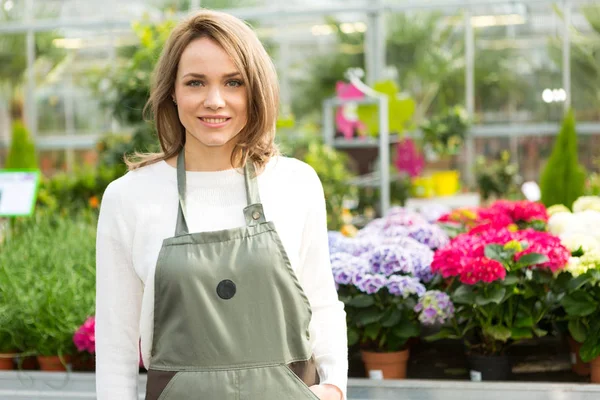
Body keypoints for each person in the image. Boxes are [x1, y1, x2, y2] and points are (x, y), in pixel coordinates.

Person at [95, 9, 348, 400]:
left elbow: (323, 303)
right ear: (172, 92)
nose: (215, 101)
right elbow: (116, 344)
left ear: (255, 91)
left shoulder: (295, 183)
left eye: (233, 82)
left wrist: (333, 388)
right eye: (196, 82)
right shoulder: (130, 197)